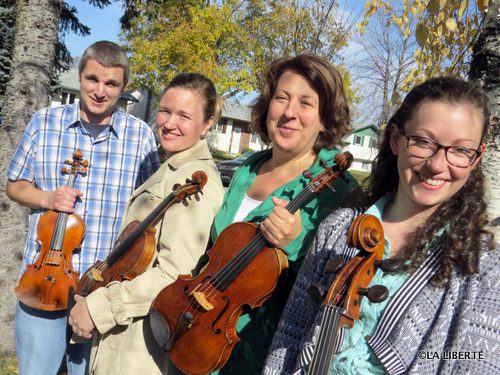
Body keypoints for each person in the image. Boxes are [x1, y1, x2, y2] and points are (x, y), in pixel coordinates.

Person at [264, 76, 500, 375]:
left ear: (477, 157)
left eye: (461, 150)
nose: (438, 165)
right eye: (423, 142)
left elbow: (478, 362)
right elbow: (292, 332)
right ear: (396, 140)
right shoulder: (338, 229)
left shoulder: (485, 267)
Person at [6, 40, 160, 375]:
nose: (100, 91)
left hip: (101, 292)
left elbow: (149, 212)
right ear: (80, 76)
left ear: (123, 87)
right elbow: (14, 184)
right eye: (93, 79)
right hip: (43, 279)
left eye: (111, 84)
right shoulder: (43, 123)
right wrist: (47, 199)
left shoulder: (141, 137)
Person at [67, 72, 225, 375]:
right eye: (165, 111)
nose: (169, 122)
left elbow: (174, 273)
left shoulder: (196, 181)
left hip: (139, 351)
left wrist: (99, 308)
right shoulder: (171, 167)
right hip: (124, 339)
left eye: (184, 116)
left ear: (206, 125)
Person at [209, 54, 358, 374]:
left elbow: (341, 289)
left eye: (306, 103)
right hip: (203, 332)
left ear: (324, 120)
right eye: (281, 98)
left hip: (260, 353)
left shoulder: (339, 191)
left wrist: (296, 243)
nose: (289, 112)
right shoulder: (247, 169)